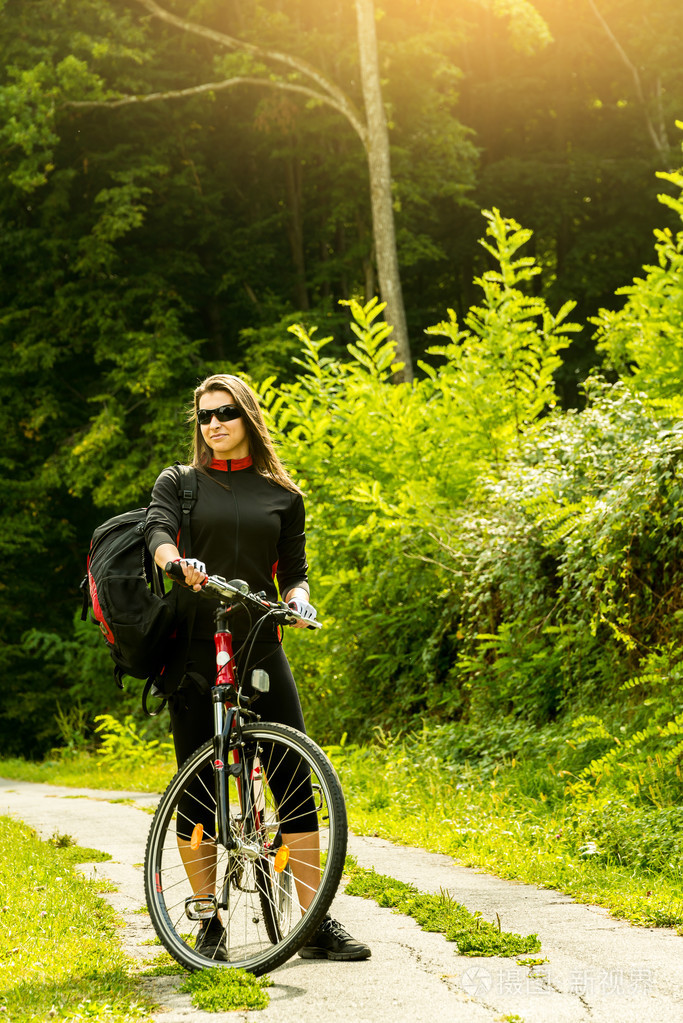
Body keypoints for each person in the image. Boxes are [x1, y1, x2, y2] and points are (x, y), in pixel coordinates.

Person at [144, 373, 370, 962]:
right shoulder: (182, 483)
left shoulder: (282, 494)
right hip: (195, 648)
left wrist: (297, 598)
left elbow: (293, 568)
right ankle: (208, 922)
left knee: (295, 778)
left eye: (225, 413)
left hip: (261, 643)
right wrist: (177, 563)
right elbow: (157, 534)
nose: (213, 424)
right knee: (198, 790)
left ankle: (312, 921)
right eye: (203, 417)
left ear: (247, 416)